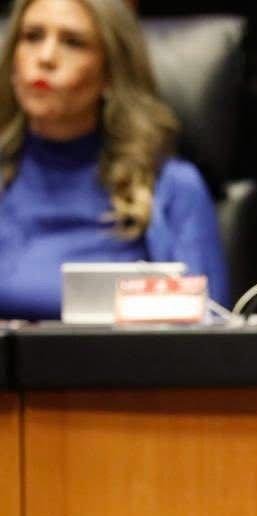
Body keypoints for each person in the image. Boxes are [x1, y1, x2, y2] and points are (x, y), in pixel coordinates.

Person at [0, 0, 229, 320]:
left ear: (111, 72)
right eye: (32, 36)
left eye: (73, 42)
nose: (46, 57)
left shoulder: (172, 188)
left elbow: (210, 335)